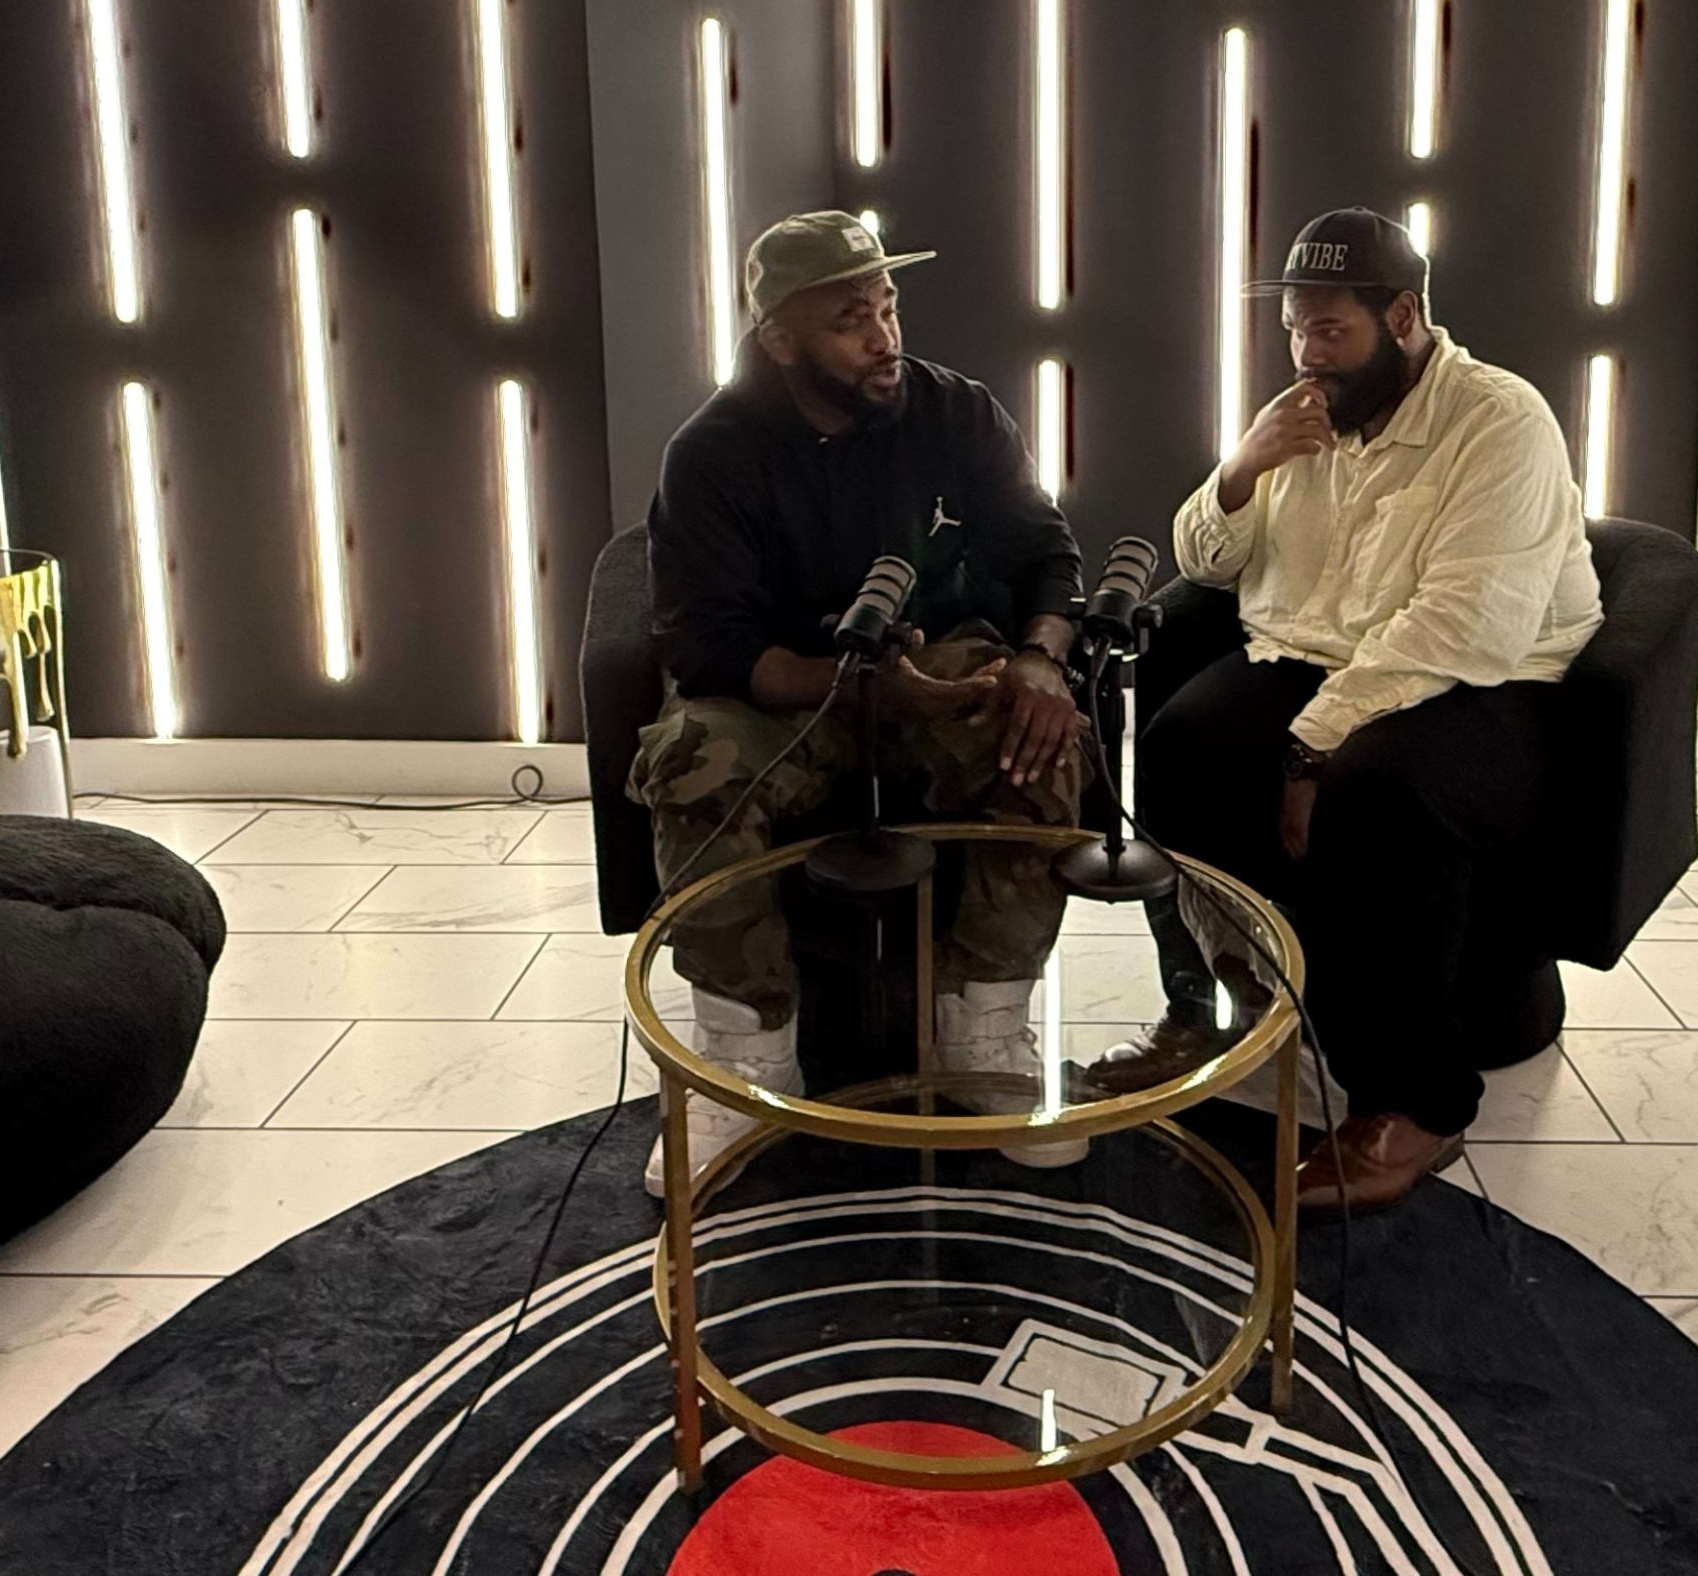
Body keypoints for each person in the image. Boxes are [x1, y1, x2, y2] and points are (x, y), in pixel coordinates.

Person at [1115, 208, 1601, 1212]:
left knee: (1374, 794)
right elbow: (1206, 562)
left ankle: (1416, 1102)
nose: (1306, 352)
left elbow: (1464, 623)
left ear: (1404, 317)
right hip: (1325, 653)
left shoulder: (1499, 421)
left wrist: (1311, 749)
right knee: (1181, 748)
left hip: (1485, 679)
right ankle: (1238, 997)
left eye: (1330, 330)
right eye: (1294, 328)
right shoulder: (1304, 413)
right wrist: (1243, 467)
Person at [630, 212, 1088, 1195]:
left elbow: (1048, 555)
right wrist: (858, 682)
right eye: (850, 321)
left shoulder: (956, 412)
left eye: (887, 308)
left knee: (1039, 741)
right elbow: (707, 648)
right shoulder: (711, 453)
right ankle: (745, 1063)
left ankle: (982, 1033)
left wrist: (1042, 662)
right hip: (783, 684)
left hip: (939, 663)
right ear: (778, 339)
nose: (884, 338)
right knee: (696, 761)